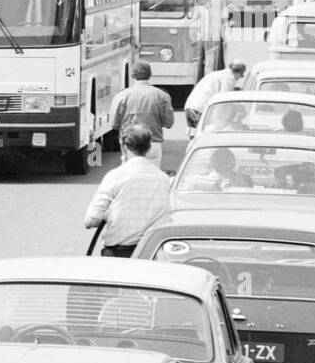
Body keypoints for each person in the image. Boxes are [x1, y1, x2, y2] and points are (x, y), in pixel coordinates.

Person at [84, 125, 172, 258]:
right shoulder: (164, 179)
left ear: (124, 147)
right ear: (148, 148)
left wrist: (107, 215)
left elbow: (91, 220)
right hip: (152, 253)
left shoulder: (115, 176)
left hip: (119, 252)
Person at [109, 62, 174, 166]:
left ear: (132, 75)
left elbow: (113, 124)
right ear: (150, 75)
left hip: (130, 144)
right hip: (153, 142)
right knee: (152, 176)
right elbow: (169, 123)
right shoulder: (162, 95)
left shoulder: (121, 96)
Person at [185, 60, 247, 130]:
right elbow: (224, 100)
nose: (241, 77)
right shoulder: (229, 78)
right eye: (242, 74)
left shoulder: (217, 74)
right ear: (239, 72)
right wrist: (221, 121)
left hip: (191, 107)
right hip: (200, 110)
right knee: (205, 135)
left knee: (195, 136)